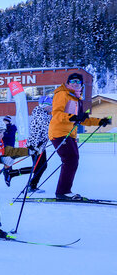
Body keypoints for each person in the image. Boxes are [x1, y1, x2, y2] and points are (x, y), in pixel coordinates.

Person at [48, 72, 111, 200]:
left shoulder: (77, 99)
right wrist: (73, 117)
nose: (75, 84)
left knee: (73, 160)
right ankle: (63, 192)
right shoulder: (62, 94)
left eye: (78, 82)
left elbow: (82, 119)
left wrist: (99, 121)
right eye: (73, 81)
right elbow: (57, 113)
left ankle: (64, 191)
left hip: (70, 134)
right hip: (59, 132)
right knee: (70, 160)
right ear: (68, 83)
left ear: (81, 84)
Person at [25, 96, 53, 192]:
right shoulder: (39, 112)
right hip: (35, 145)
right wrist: (56, 117)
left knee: (41, 165)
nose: (51, 107)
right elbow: (46, 125)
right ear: (45, 105)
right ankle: (32, 186)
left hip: (40, 144)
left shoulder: (43, 112)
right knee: (40, 165)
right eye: (50, 105)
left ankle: (32, 185)